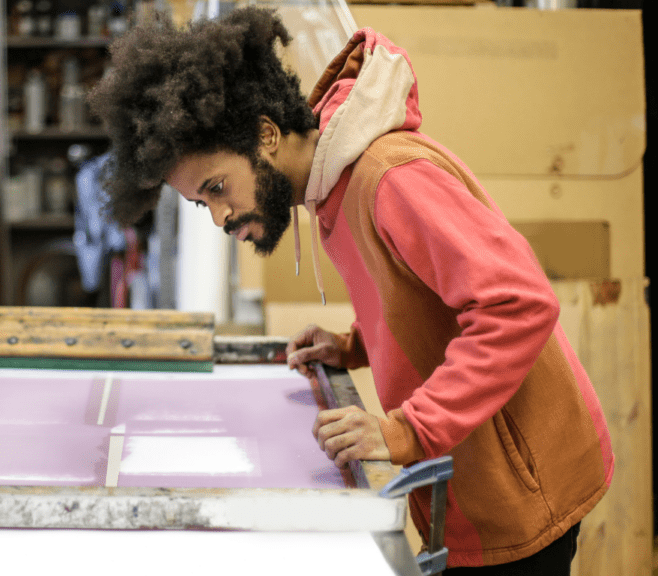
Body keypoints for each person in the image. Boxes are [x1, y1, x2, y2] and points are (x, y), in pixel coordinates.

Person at [87, 7, 613, 574]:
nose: (219, 217)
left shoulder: (390, 178)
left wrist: (411, 429)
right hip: (474, 487)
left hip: (523, 495)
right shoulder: (332, 188)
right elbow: (425, 289)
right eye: (201, 202)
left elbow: (518, 304)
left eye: (217, 188)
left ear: (266, 135)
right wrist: (356, 343)